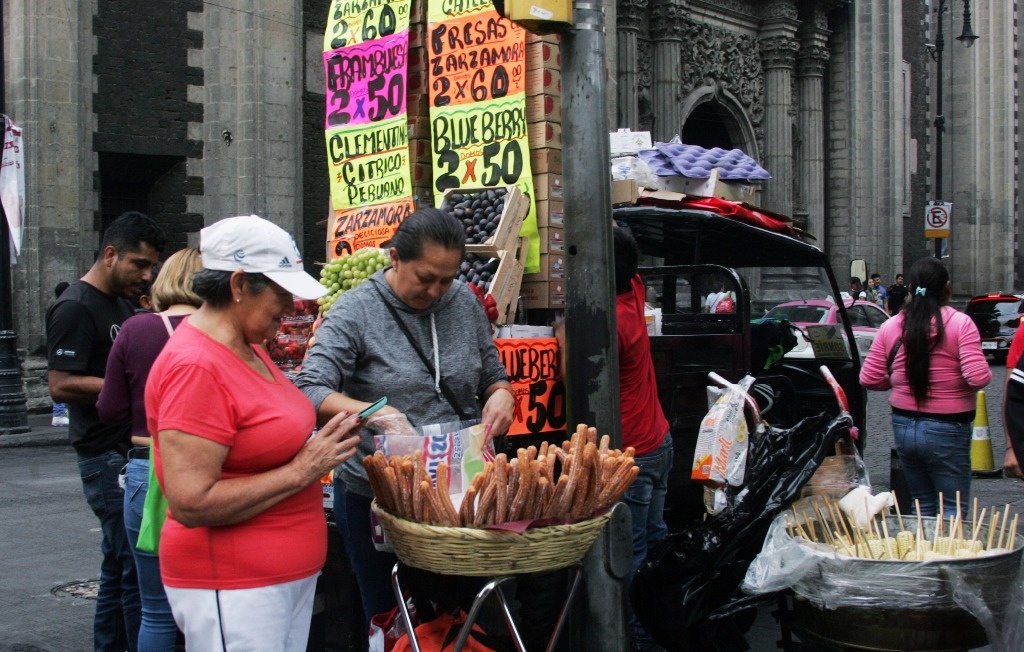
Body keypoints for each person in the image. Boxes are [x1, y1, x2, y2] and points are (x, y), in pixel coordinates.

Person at [144, 215, 361, 650]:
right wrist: (303, 469)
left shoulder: (248, 347)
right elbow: (192, 501)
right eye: (282, 292)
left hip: (275, 581)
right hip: (233, 583)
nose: (293, 306)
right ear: (239, 285)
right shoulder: (196, 366)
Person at [294, 207, 514, 632]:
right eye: (425, 277)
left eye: (446, 279)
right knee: (394, 618)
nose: (435, 291)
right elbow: (310, 388)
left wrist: (501, 395)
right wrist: (378, 412)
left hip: (459, 488)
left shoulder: (464, 301)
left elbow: (492, 373)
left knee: (463, 617)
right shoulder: (356, 311)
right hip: (379, 496)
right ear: (395, 258)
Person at [46, 211, 166, 651]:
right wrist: (130, 385)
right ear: (110, 254)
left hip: (125, 450)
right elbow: (61, 383)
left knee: (119, 568)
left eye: (152, 266)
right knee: (132, 569)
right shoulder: (76, 305)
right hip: (103, 456)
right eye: (139, 264)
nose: (147, 275)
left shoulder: (122, 303)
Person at [96, 247, 202, 652]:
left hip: (146, 467)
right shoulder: (221, 331)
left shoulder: (136, 330)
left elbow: (109, 409)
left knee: (155, 610)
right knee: (207, 604)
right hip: (208, 470)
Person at [859, 257, 991, 517]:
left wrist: (896, 380)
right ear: (947, 288)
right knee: (953, 508)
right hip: (949, 427)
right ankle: (950, 557)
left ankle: (925, 554)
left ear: (910, 289)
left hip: (905, 427)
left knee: (922, 504)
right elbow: (978, 378)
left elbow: (869, 378)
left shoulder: (891, 325)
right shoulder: (960, 324)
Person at [609, 226, 673, 651]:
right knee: (655, 542)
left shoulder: (610, 322)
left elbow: (572, 370)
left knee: (631, 555)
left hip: (633, 451)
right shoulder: (633, 286)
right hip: (659, 441)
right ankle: (667, 623)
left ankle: (642, 638)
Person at [51, 281, 71, 427]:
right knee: (62, 380)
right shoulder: (62, 309)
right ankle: (58, 413)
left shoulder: (57, 308)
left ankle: (61, 412)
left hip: (57, 351)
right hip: (60, 351)